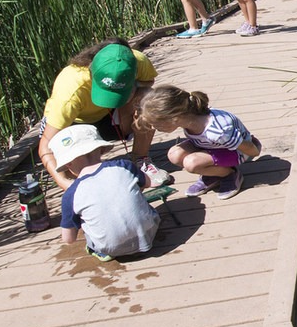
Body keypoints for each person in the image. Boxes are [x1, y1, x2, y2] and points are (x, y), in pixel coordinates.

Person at [38, 41, 167, 192]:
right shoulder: (71, 89)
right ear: (92, 72)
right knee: (80, 173)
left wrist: (133, 90)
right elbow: (45, 146)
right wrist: (65, 184)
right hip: (74, 124)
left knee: (148, 98)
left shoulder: (137, 60)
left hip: (108, 115)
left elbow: (148, 82)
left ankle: (141, 159)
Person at [50, 123, 160, 261]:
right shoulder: (123, 165)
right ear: (101, 149)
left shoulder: (71, 194)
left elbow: (68, 239)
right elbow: (148, 182)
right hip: (149, 233)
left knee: (86, 224)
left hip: (110, 247)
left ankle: (102, 252)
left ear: (67, 164)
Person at [141, 85, 262, 200]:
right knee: (174, 154)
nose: (154, 128)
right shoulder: (189, 119)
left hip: (237, 152)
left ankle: (229, 174)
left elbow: (250, 150)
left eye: (156, 124)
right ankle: (212, 174)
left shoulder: (217, 132)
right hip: (212, 146)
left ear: (174, 117)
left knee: (192, 163)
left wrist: (254, 149)